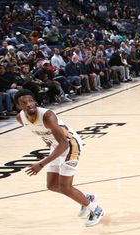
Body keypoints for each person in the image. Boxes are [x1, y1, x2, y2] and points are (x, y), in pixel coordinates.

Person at [14, 89, 105, 226]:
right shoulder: (20, 118)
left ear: (35, 101)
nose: (29, 104)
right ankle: (85, 198)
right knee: (51, 185)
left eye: (31, 100)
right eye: (24, 102)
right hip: (56, 146)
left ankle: (96, 210)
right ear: (18, 106)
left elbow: (64, 144)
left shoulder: (47, 116)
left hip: (70, 145)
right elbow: (41, 132)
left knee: (65, 187)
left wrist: (41, 164)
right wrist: (48, 143)